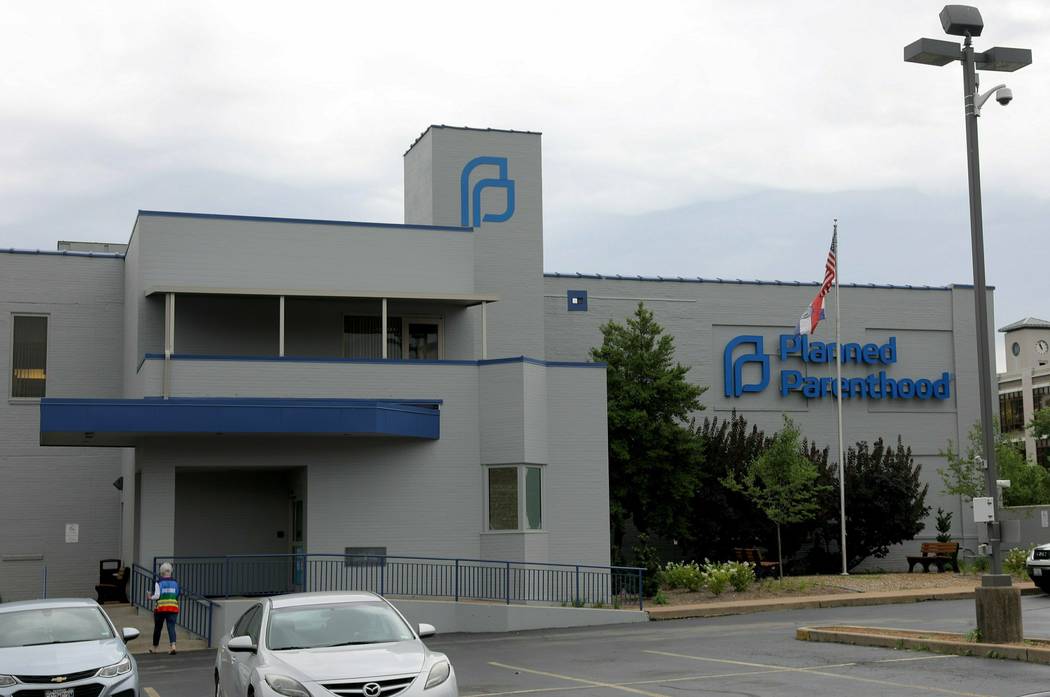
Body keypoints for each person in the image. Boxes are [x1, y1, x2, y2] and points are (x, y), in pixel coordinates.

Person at [149, 562, 179, 654]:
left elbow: (157, 596)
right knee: (171, 627)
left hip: (161, 609)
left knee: (158, 628)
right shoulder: (175, 583)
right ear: (170, 572)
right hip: (173, 608)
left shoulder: (159, 583)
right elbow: (177, 594)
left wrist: (150, 597)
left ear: (161, 572)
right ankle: (173, 646)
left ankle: (155, 648)